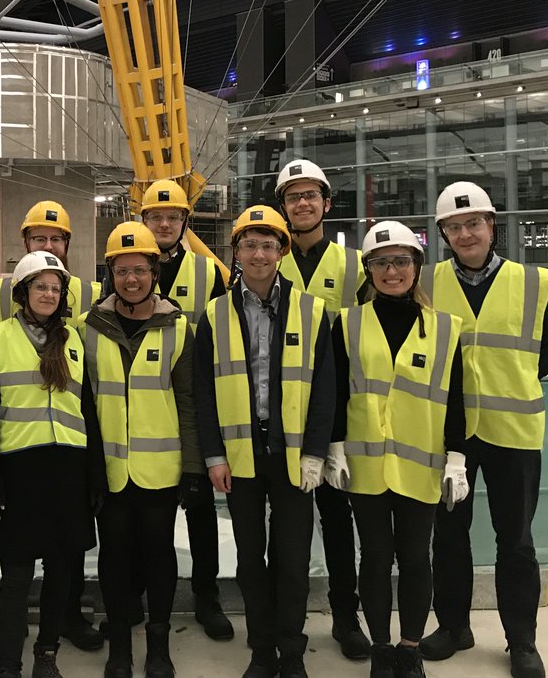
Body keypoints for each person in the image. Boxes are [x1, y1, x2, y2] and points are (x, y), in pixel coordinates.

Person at [420, 182, 548, 678]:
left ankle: (521, 641)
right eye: (454, 227)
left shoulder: (533, 281)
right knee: (449, 535)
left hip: (513, 433)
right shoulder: (427, 282)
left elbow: (547, 356)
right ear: (442, 234)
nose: (465, 233)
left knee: (515, 539)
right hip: (448, 434)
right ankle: (454, 627)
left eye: (473, 223)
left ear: (491, 225)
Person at [194, 205, 337, 678]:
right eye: (249, 245)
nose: (259, 254)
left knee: (293, 562)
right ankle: (261, 650)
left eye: (269, 245)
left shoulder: (311, 310)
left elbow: (325, 390)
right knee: (251, 562)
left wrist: (316, 452)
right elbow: (203, 393)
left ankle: (291, 651)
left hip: (294, 458)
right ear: (234, 253)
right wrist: (213, 455)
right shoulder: (214, 315)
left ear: (283, 251)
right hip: (239, 458)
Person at [332, 220, 468, 678]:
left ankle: (409, 648)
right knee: (373, 558)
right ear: (369, 270)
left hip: (421, 466)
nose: (392, 271)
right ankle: (380, 649)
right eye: (381, 262)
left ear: (417, 268)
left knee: (415, 559)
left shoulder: (445, 329)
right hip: (364, 465)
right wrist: (332, 447)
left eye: (401, 261)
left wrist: (457, 457)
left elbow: (456, 400)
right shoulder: (347, 323)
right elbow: (333, 393)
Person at [0, 251, 106, 678]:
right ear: (23, 292)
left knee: (61, 569)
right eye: (40, 286)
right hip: (20, 471)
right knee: (16, 574)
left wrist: (94, 475)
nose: (49, 294)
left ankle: (46, 654)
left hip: (68, 468)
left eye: (55, 287)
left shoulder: (74, 341)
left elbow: (86, 408)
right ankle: (10, 660)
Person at [84, 221, 201, 678]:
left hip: (160, 469)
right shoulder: (89, 327)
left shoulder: (177, 327)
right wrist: (88, 470)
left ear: (155, 271)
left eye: (140, 270)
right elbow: (84, 403)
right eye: (121, 271)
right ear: (110, 274)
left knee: (159, 555)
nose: (131, 279)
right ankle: (118, 647)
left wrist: (191, 469)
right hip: (110, 470)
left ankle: (158, 644)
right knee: (113, 556)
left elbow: (188, 400)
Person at [275, 159, 371, 661]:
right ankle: (283, 622)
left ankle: (346, 617)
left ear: (326, 204)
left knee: (338, 522)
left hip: (338, 415)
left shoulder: (354, 267)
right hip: (284, 417)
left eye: (310, 195)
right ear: (283, 208)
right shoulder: (269, 263)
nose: (302, 203)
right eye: (293, 197)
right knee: (287, 529)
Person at [136, 178, 232, 642]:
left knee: (199, 508)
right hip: (148, 403)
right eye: (156, 216)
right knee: (145, 507)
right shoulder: (124, 268)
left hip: (195, 403)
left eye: (172, 217)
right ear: (144, 221)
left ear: (184, 223)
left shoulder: (210, 273)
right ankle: (139, 591)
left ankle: (206, 597)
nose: (164, 224)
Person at [0, 201, 102, 328]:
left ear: (66, 244)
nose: (48, 246)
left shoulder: (88, 295)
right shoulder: (3, 292)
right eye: (40, 239)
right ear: (26, 243)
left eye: (55, 239)